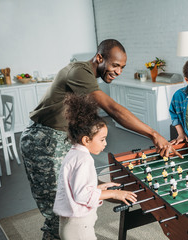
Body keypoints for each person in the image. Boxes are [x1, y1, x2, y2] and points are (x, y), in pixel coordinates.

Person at [20, 39, 181, 239]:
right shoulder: (79, 71)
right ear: (99, 58)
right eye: (115, 65)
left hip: (61, 139)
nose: (118, 71)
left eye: (122, 67)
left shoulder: (87, 76)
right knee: (58, 213)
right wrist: (154, 134)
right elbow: (112, 109)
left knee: (75, 200)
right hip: (43, 141)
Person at [53, 94, 137, 240]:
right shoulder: (85, 160)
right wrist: (114, 194)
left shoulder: (73, 154)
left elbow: (76, 188)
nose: (105, 144)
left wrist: (99, 188)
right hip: (79, 228)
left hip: (70, 223)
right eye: (102, 139)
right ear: (86, 139)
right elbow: (82, 196)